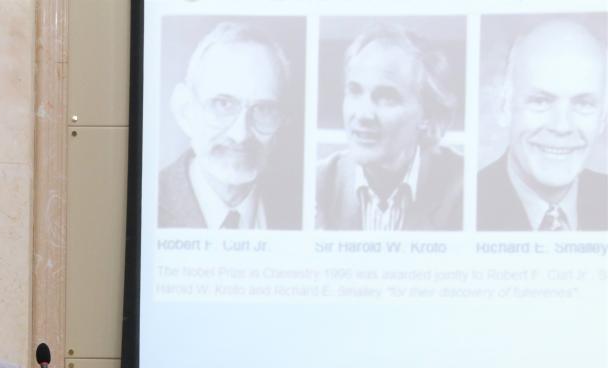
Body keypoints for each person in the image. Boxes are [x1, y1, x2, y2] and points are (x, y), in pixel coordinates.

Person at [316, 23, 463, 231]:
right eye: (355, 91)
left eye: (386, 97)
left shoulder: (463, 187)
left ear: (428, 116)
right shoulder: (318, 184)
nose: (363, 115)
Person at [159, 21, 301, 230]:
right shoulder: (147, 202)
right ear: (186, 111)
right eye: (223, 104)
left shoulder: (301, 207)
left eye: (263, 109)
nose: (240, 135)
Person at [477, 19, 607, 231]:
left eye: (583, 104)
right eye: (540, 101)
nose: (562, 127)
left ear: (603, 117)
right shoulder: (459, 207)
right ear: (504, 106)